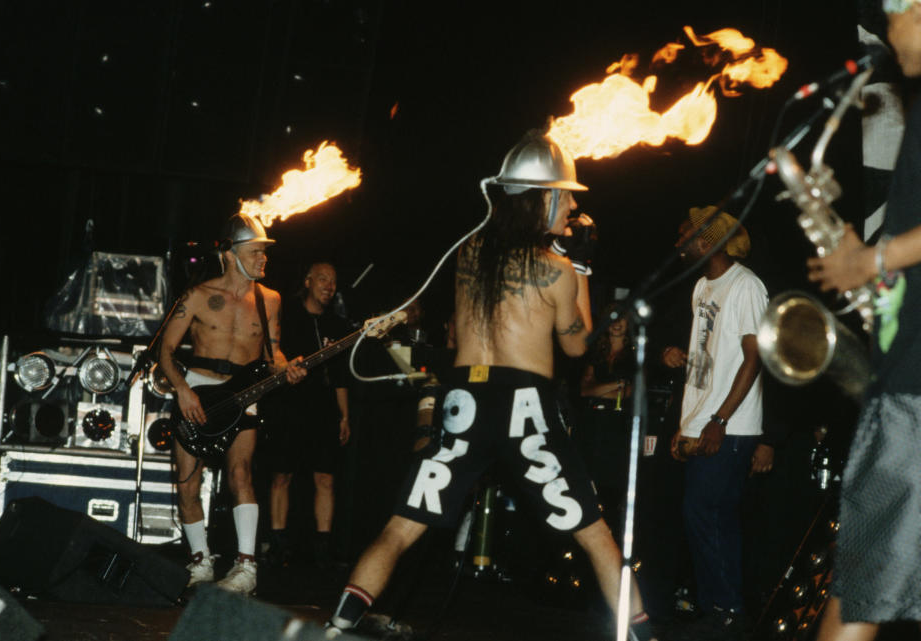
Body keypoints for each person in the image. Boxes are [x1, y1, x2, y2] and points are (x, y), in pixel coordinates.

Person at [325, 130, 657, 641]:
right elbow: (576, 346)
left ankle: (338, 623)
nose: (572, 205)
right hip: (523, 403)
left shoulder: (468, 253)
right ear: (543, 196)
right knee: (595, 533)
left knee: (402, 524)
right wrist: (583, 265)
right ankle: (640, 635)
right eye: (566, 195)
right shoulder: (557, 270)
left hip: (465, 400)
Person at [807, 3, 921, 638]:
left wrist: (872, 257)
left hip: (914, 395)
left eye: (890, 19)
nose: (884, 34)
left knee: (859, 592)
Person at [159, 213, 305, 596]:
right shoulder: (196, 296)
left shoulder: (269, 300)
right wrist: (183, 390)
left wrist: (288, 368)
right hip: (198, 390)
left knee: (241, 474)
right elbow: (166, 351)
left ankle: (245, 568)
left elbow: (273, 354)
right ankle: (200, 562)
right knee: (188, 484)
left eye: (264, 253)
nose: (263, 259)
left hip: (244, 396)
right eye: (256, 251)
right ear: (230, 253)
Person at [660, 206, 773, 640]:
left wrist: (719, 420)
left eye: (684, 233)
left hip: (731, 424)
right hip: (703, 421)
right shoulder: (702, 286)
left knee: (706, 513)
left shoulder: (745, 286)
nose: (678, 242)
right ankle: (721, 611)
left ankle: (726, 612)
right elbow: (706, 362)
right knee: (705, 516)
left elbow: (754, 357)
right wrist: (687, 422)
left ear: (707, 241)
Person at [265, 261, 351, 568]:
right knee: (282, 474)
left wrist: (344, 416)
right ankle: (277, 545)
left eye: (334, 281)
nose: (329, 286)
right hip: (289, 404)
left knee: (325, 478)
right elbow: (270, 354)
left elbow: (341, 376)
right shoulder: (286, 314)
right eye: (323, 279)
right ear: (308, 280)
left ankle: (323, 549)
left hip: (325, 408)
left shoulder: (338, 325)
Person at [576, 303, 634, 513]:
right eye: (612, 317)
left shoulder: (633, 356)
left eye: (621, 318)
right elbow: (584, 390)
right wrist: (616, 384)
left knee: (611, 489)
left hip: (617, 428)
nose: (616, 323)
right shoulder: (596, 354)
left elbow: (629, 391)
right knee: (586, 486)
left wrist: (600, 389)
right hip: (592, 425)